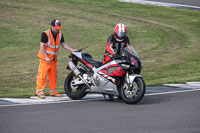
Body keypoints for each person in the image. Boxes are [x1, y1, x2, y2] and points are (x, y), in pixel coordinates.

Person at [36, 19, 76, 99]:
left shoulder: (60, 34)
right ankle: (40, 92)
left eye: (59, 28)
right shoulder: (45, 34)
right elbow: (42, 46)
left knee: (53, 76)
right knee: (42, 76)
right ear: (52, 26)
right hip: (45, 59)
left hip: (53, 60)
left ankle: (53, 92)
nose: (58, 29)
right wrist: (46, 57)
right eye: (56, 28)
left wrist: (73, 50)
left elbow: (64, 44)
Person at [102, 23, 131, 101]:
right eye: (119, 33)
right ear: (115, 32)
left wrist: (129, 55)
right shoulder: (111, 37)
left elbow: (128, 48)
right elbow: (108, 47)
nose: (121, 35)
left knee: (122, 73)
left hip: (120, 57)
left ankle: (120, 92)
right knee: (107, 71)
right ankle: (109, 93)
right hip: (109, 56)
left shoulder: (126, 39)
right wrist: (113, 54)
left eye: (122, 33)